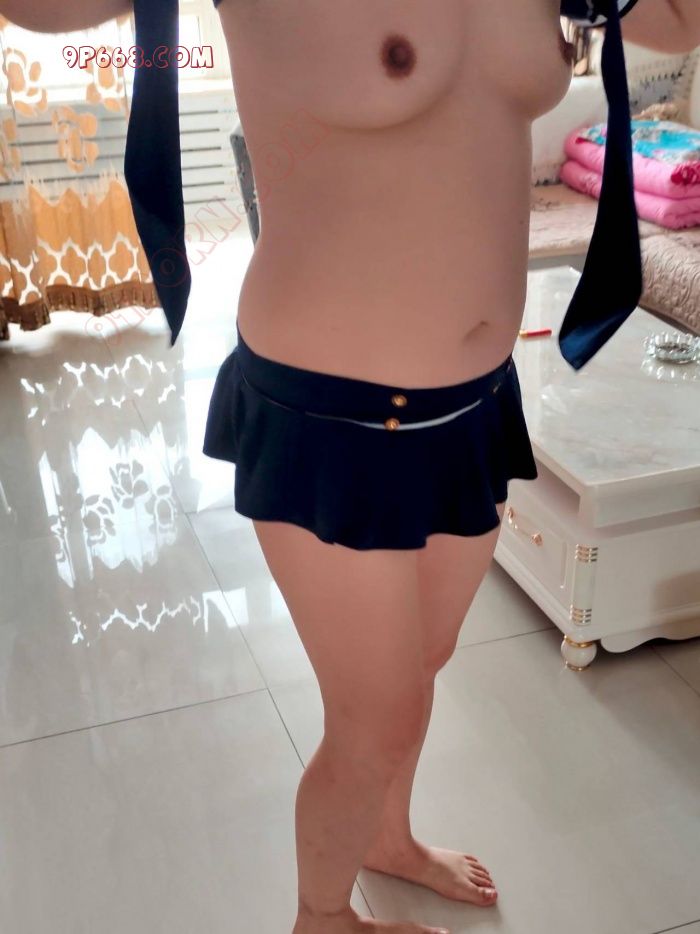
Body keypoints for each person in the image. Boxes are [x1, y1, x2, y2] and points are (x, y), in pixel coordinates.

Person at [5, 2, 700, 932]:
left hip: (472, 407)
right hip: (326, 415)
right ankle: (322, 918)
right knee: (375, 718)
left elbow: (678, 23)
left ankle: (389, 839)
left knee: (422, 667)